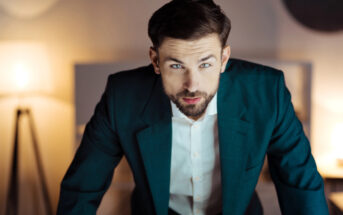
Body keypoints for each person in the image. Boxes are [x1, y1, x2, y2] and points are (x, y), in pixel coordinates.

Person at [57, 0, 329, 214]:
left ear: (224, 59)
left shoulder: (267, 92)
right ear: (155, 60)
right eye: (176, 65)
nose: (191, 84)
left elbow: (300, 185)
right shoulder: (122, 97)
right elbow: (82, 189)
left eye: (205, 64)